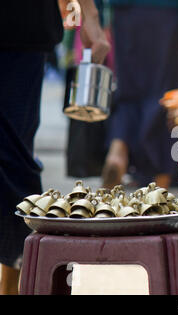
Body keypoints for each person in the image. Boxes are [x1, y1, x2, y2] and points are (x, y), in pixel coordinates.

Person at [0, 0, 110, 295]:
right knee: (13, 160)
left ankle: (18, 283)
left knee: (12, 160)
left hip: (19, 30)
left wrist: (89, 14)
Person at [101, 0, 178, 190]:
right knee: (164, 93)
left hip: (124, 10)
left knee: (128, 88)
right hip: (167, 11)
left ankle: (119, 147)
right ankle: (160, 182)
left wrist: (98, 15)